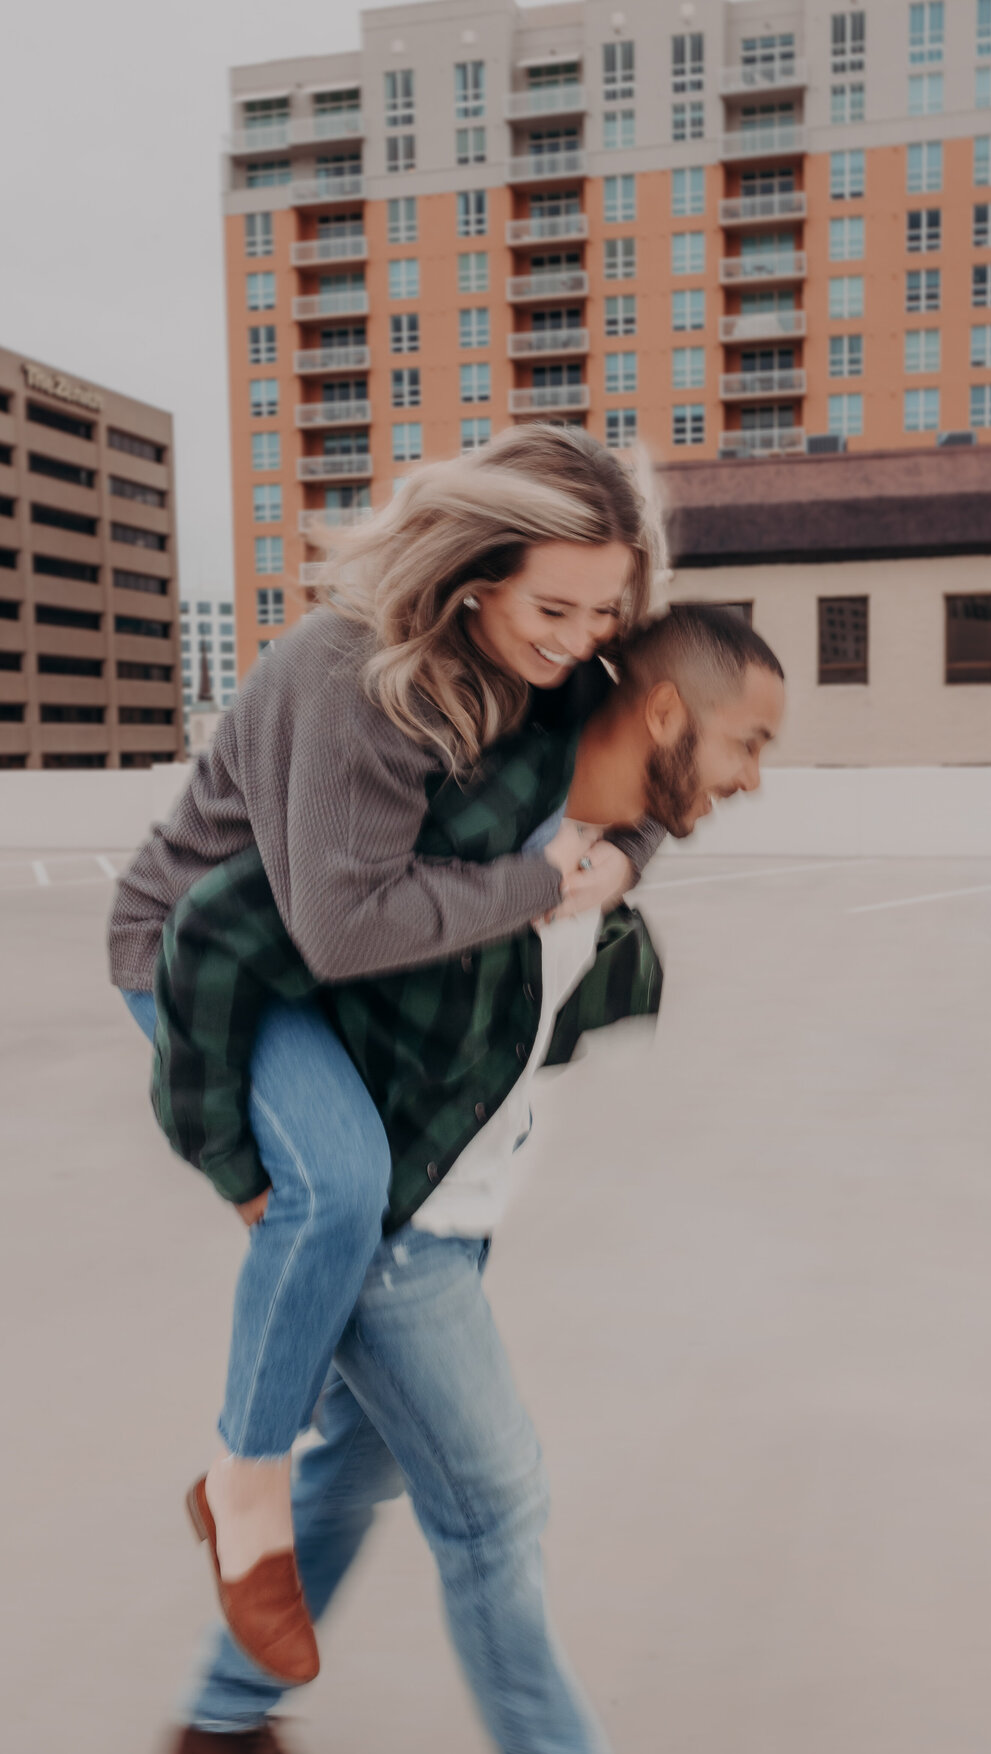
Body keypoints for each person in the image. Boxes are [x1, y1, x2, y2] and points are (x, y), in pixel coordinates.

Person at [140, 605, 786, 1754]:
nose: (755, 778)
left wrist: (624, 861)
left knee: (362, 1462)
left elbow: (636, 821)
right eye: (748, 743)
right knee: (496, 1508)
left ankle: (224, 1721)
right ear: (662, 715)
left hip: (464, 1204)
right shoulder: (476, 825)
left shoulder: (617, 819)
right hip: (400, 1231)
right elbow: (216, 937)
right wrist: (237, 1167)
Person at [108, 426, 667, 1683]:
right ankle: (240, 1487)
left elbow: (642, 773)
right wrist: (534, 885)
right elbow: (346, 922)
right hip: (211, 963)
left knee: (371, 1314)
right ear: (477, 572)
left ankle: (230, 1706)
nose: (580, 638)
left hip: (327, 954)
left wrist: (622, 856)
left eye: (605, 610)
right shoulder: (350, 671)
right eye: (554, 607)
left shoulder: (566, 658)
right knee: (343, 1187)